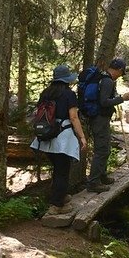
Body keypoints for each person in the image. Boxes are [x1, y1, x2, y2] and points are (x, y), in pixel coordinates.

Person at [30, 64, 87, 214]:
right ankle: (57, 206)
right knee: (62, 171)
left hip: (45, 137)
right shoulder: (69, 94)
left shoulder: (45, 93)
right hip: (62, 138)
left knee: (57, 169)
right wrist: (82, 137)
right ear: (66, 80)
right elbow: (73, 117)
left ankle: (59, 196)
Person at [86, 58, 129, 192]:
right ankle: (93, 183)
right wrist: (121, 99)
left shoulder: (104, 78)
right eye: (121, 72)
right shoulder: (107, 81)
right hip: (100, 119)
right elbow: (104, 102)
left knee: (105, 148)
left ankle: (102, 176)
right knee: (101, 150)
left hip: (100, 118)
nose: (120, 75)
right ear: (118, 70)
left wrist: (119, 97)